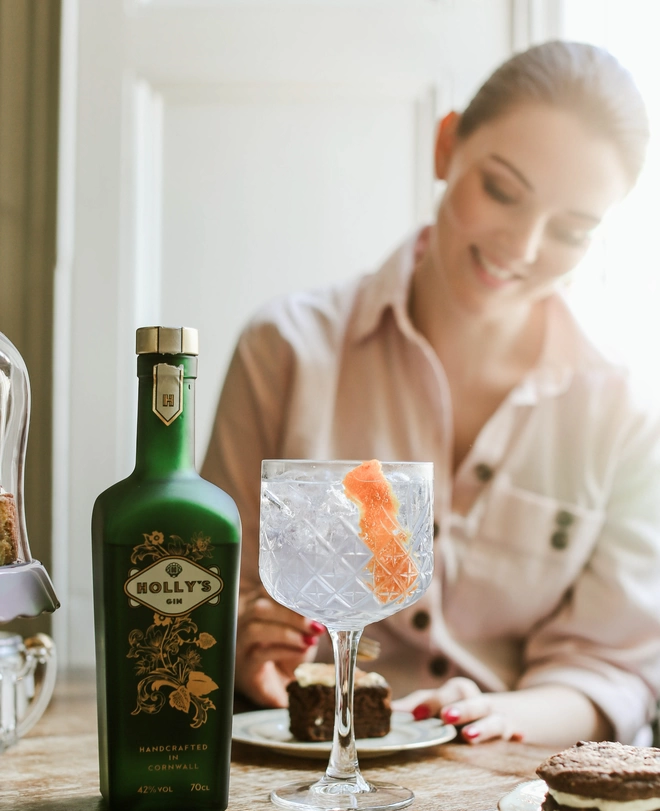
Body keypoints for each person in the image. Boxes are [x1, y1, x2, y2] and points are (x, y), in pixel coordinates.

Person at [202, 40, 660, 747]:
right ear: (446, 146)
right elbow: (215, 596)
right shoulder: (286, 349)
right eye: (502, 190)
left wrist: (500, 715)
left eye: (572, 230)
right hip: (306, 777)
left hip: (512, 788)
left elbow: (614, 667)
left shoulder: (624, 413)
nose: (524, 246)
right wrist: (247, 645)